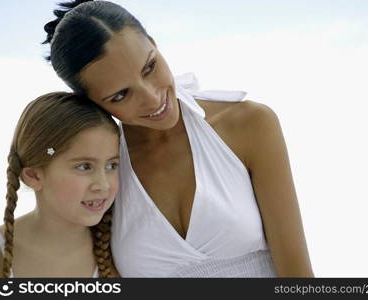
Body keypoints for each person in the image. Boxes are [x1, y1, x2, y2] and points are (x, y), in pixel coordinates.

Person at [42, 0, 314, 277]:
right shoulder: (101, 172)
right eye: (121, 95)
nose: (152, 99)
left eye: (149, 67)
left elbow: (298, 275)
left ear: (153, 42)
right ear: (91, 103)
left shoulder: (249, 124)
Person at [0, 92, 120, 278]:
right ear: (34, 175)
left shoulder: (124, 253)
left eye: (112, 165)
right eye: (84, 166)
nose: (103, 185)